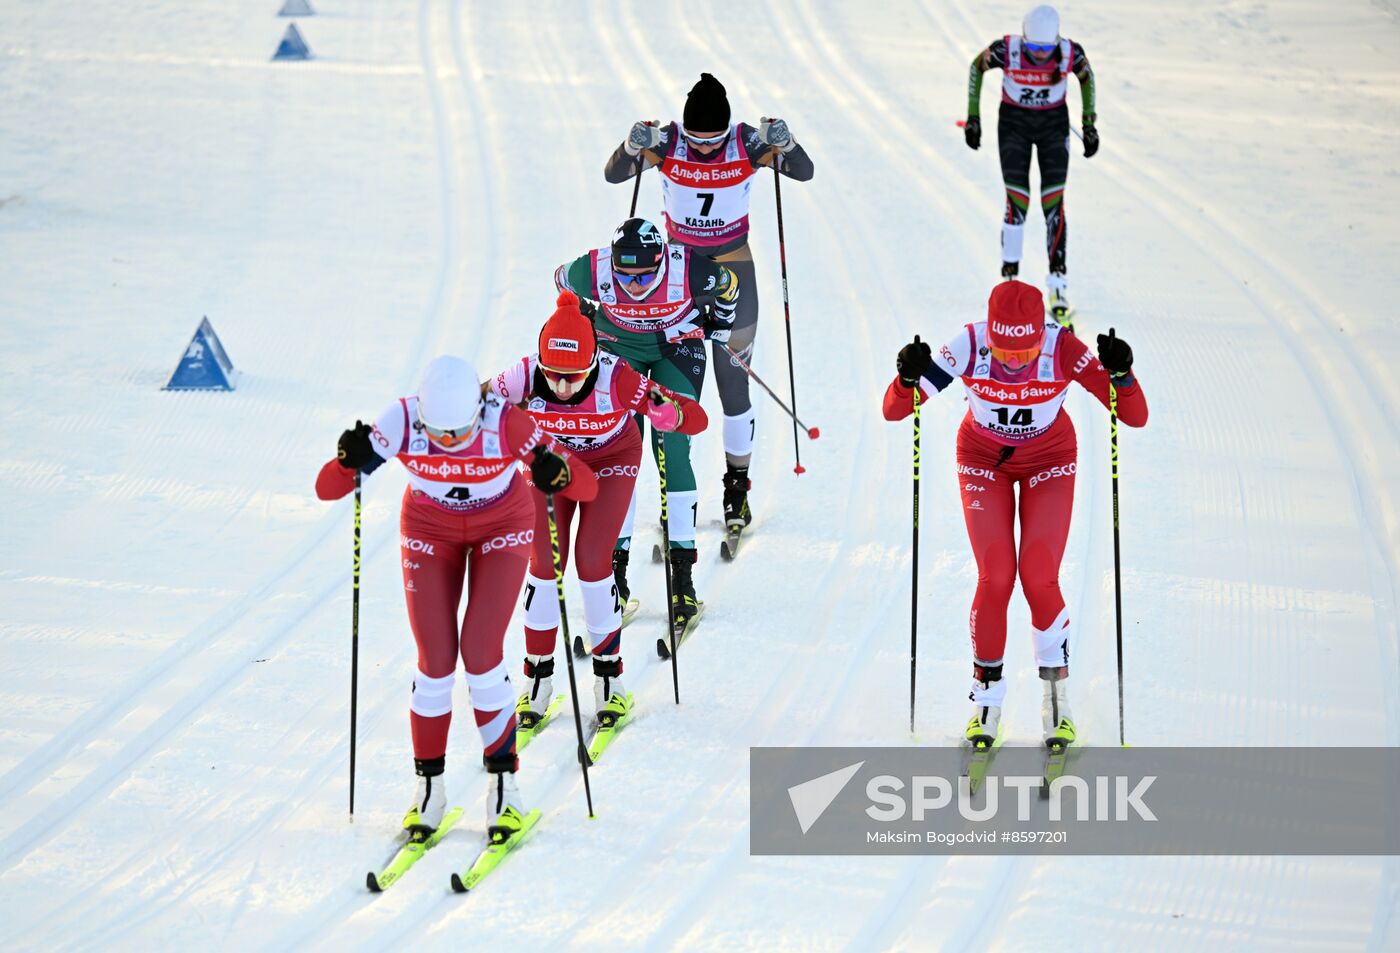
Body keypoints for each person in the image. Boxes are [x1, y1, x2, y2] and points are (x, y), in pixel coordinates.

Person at [315, 355, 597, 839]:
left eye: (459, 431)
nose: (448, 442)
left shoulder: (506, 422)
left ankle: (505, 788)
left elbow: (586, 487)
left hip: (502, 525)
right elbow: (327, 489)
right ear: (422, 414)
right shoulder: (401, 421)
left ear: (478, 409)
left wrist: (560, 472)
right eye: (438, 432)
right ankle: (430, 790)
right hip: (429, 529)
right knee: (436, 662)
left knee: (482, 655)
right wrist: (346, 462)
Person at [882, 281, 1146, 748]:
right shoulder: (967, 344)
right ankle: (987, 700)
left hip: (1050, 458)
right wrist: (906, 378)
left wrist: (1122, 374)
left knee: (1039, 575)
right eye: (1005, 351)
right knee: (997, 575)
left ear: (1039, 337)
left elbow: (1133, 415)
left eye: (1024, 352)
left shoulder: (1062, 348)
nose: (1015, 363)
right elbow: (895, 411)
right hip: (983, 460)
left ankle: (1056, 702)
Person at [486, 291, 708, 731]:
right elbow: (469, 410)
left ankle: (610, 683)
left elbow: (695, 418)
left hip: (611, 461)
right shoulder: (524, 375)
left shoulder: (618, 376)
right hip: (550, 462)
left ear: (593, 364)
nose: (563, 387)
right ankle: (537, 680)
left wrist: (671, 415)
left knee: (592, 562)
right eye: (554, 376)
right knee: (543, 562)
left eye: (574, 377)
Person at [606, 72, 814, 535]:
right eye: (696, 140)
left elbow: (803, 171)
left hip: (733, 271)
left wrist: (787, 141)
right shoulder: (667, 144)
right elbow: (615, 174)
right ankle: (672, 496)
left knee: (733, 386)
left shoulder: (747, 144)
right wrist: (631, 144)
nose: (702, 148)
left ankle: (736, 489)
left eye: (713, 140)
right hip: (675, 278)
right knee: (673, 393)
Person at [554, 218, 735, 629]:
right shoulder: (592, 269)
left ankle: (682, 581)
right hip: (619, 349)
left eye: (646, 275)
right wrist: (581, 313)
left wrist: (720, 322)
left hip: (676, 350)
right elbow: (561, 280)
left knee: (672, 443)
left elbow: (729, 286)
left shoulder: (688, 267)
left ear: (661, 262)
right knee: (619, 449)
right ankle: (616, 575)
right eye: (625, 275)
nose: (634, 285)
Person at [965, 5, 1097, 327]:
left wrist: (1089, 123)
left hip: (1053, 127)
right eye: (1034, 49)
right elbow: (976, 67)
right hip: (1014, 127)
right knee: (1017, 201)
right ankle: (1010, 278)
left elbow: (1087, 77)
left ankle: (1058, 285)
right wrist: (973, 117)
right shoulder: (1008, 50)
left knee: (1053, 203)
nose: (1040, 56)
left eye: (1046, 49)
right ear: (1024, 39)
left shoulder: (1067, 53)